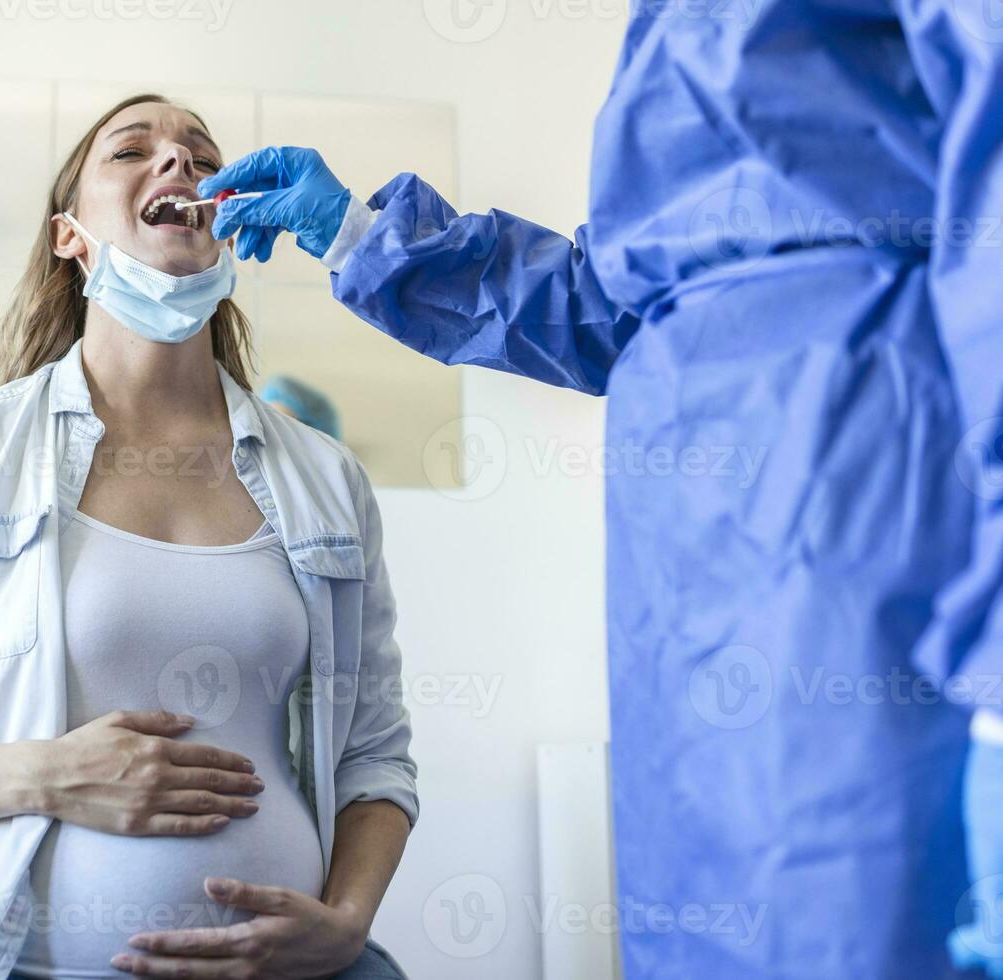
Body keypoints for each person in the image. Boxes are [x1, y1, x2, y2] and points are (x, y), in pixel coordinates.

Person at [201, 0, 1003, 975]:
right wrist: (358, 233)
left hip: (872, 476)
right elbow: (614, 304)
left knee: (868, 911)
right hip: (688, 561)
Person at [0, 94, 417, 980]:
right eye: (133, 151)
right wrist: (46, 775)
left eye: (202, 157)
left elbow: (374, 761)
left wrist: (347, 922)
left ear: (232, 224)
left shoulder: (326, 478)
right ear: (68, 237)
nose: (179, 164)